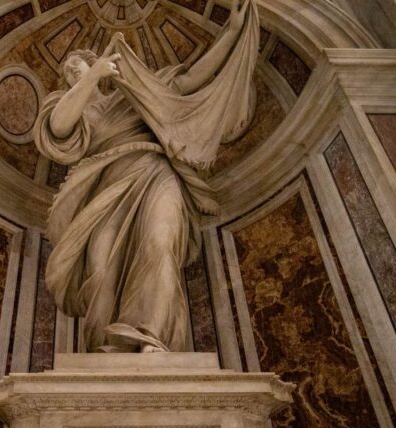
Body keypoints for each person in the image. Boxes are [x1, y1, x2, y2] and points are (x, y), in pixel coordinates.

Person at [34, 0, 260, 352]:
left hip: (156, 173)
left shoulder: (136, 93)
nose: (74, 73)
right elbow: (58, 127)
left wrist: (231, 33)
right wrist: (91, 78)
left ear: (99, 63)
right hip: (105, 189)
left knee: (159, 244)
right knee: (100, 268)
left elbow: (190, 79)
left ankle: (151, 336)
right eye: (70, 72)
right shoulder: (79, 112)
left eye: (79, 66)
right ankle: (107, 347)